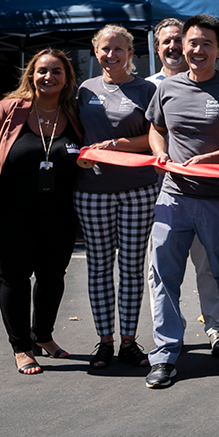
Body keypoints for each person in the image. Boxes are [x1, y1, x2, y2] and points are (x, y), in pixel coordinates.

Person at [143, 15, 219, 388]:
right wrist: (160, 154)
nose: (197, 50)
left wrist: (211, 159)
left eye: (206, 44)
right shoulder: (167, 88)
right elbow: (155, 127)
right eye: (192, 43)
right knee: (163, 276)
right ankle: (166, 354)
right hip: (173, 197)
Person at [0, 49, 83, 375]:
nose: (49, 77)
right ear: (31, 75)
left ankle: (42, 336)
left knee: (52, 278)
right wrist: (0, 177)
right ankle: (21, 347)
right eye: (42, 70)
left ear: (66, 78)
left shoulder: (73, 112)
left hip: (59, 214)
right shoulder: (10, 109)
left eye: (56, 71)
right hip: (10, 212)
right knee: (15, 278)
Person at [75, 25, 160, 369]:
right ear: (96, 52)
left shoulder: (147, 90)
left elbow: (155, 138)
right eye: (105, 50)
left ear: (131, 52)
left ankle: (129, 342)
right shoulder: (83, 90)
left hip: (138, 189)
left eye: (118, 49)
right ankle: (104, 342)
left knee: (131, 268)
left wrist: (115, 146)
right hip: (92, 191)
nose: (111, 55)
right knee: (98, 267)